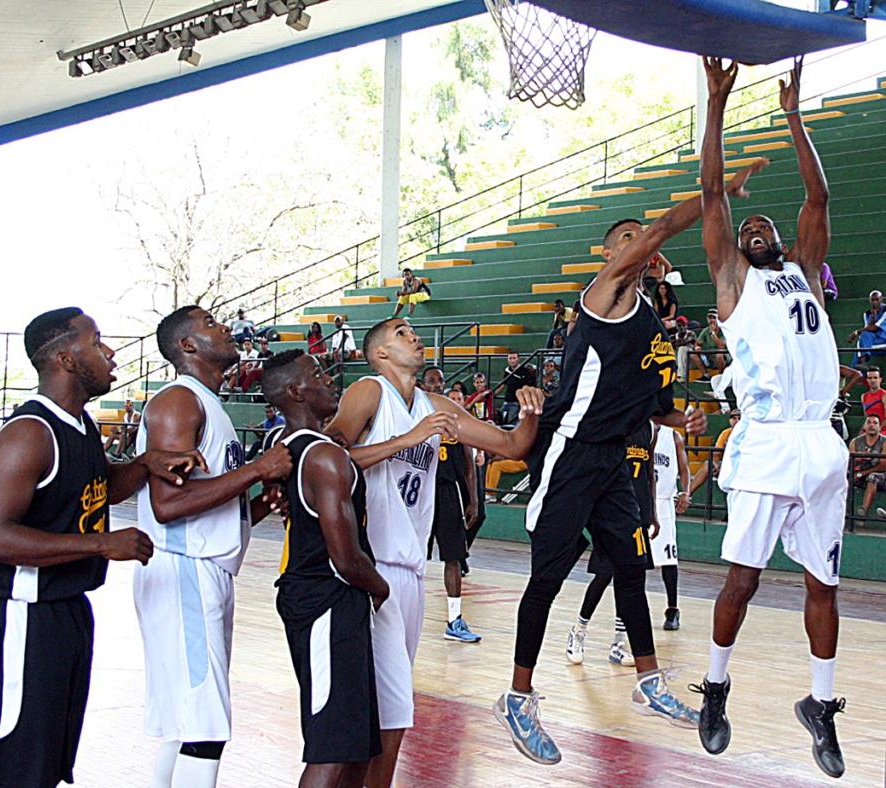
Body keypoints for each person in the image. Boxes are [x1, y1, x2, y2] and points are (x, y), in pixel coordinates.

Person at [494, 156, 761, 764]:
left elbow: (653, 403)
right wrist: (720, 189)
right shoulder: (602, 294)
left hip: (617, 457)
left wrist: (682, 418)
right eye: (626, 239)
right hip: (569, 451)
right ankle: (518, 694)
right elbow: (664, 227)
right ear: (611, 254)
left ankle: (648, 681)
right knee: (549, 576)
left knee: (630, 569)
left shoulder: (650, 323)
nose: (637, 245)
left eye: (636, 240)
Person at [691, 58, 848, 779]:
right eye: (746, 224)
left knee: (825, 585)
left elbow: (818, 193)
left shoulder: (807, 270)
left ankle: (819, 704)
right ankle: (716, 686)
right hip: (766, 443)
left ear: (782, 237)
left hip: (823, 442)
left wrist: (793, 113)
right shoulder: (731, 280)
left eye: (764, 223)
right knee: (743, 582)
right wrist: (717, 104)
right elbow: (710, 195)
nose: (754, 227)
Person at [0, 307, 201, 788]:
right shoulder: (30, 433)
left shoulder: (82, 426)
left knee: (47, 763)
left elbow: (97, 488)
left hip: (66, 609)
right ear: (66, 358)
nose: (111, 352)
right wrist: (101, 543)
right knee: (14, 765)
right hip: (23, 614)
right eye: (97, 342)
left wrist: (147, 464)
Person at [325, 318, 544, 788]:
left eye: (413, 332)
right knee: (380, 706)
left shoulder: (436, 406)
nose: (414, 337)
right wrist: (407, 438)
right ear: (380, 353)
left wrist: (531, 409)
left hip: (409, 572)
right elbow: (328, 456)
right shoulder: (369, 392)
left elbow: (511, 445)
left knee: (391, 709)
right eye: (402, 333)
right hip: (366, 568)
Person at [132, 305, 293, 788]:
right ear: (186, 346)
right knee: (204, 727)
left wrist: (256, 506)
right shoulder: (178, 402)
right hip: (184, 570)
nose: (223, 327)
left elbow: (206, 502)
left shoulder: (207, 403)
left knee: (188, 725)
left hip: (204, 571)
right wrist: (258, 469)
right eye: (208, 324)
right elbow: (167, 504)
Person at [261, 350, 388, 788]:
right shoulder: (324, 458)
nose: (330, 379)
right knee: (331, 748)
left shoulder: (285, 446)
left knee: (353, 744)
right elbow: (345, 557)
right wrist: (379, 585)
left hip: (324, 599)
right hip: (325, 602)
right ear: (296, 392)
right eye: (317, 374)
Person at [565, 420, 658, 670]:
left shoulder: (649, 427)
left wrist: (653, 512)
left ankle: (618, 643)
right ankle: (578, 630)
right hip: (611, 510)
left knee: (631, 578)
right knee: (605, 573)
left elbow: (649, 474)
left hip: (638, 511)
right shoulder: (614, 422)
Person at [422, 367, 482, 643]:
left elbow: (469, 463)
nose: (437, 385)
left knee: (453, 556)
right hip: (418, 492)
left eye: (440, 380)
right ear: (422, 384)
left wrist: (474, 498)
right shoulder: (410, 415)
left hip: (448, 492)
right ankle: (394, 612)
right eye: (431, 380)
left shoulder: (454, 418)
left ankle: (454, 619)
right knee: (409, 557)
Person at [651, 424, 691, 631]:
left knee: (668, 559)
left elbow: (684, 470)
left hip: (664, 502)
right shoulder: (636, 429)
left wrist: (686, 492)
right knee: (635, 560)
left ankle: (672, 608)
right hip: (641, 500)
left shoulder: (673, 436)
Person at [688, 409, 740, 498]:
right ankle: (687, 495)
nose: (736, 421)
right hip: (727, 466)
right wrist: (716, 464)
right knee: (708, 464)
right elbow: (716, 454)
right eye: (733, 418)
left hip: (743, 467)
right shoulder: (726, 433)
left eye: (739, 418)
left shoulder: (750, 433)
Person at [848, 414, 886, 517]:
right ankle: (843, 514)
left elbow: (883, 467)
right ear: (864, 426)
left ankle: (863, 512)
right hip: (859, 474)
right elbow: (850, 464)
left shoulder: (884, 442)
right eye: (868, 422)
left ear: (879, 427)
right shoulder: (855, 442)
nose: (871, 425)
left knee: (873, 476)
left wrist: (861, 473)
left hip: (880, 477)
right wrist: (855, 469)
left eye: (875, 423)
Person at [849, 290, 886, 366]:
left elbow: (875, 328)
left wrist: (856, 332)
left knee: (860, 344)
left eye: (877, 299)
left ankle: (860, 363)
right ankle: (860, 363)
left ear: (881, 299)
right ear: (869, 300)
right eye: (873, 300)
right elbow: (868, 330)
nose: (875, 302)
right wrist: (872, 317)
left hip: (884, 340)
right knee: (864, 336)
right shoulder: (867, 313)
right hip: (875, 341)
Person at [500, 352, 538, 425]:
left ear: (518, 359)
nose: (512, 360)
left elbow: (531, 385)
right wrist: (492, 393)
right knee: (502, 420)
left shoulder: (525, 370)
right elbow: (503, 384)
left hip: (517, 403)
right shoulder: (507, 370)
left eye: (514, 358)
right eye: (510, 358)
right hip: (506, 401)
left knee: (511, 424)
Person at [696, 308, 730, 374]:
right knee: (692, 355)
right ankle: (705, 375)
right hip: (710, 356)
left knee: (719, 354)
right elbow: (697, 343)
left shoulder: (724, 330)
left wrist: (713, 334)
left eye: (714, 318)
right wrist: (697, 347)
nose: (711, 320)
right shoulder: (706, 330)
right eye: (710, 318)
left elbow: (721, 346)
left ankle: (721, 374)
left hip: (724, 356)